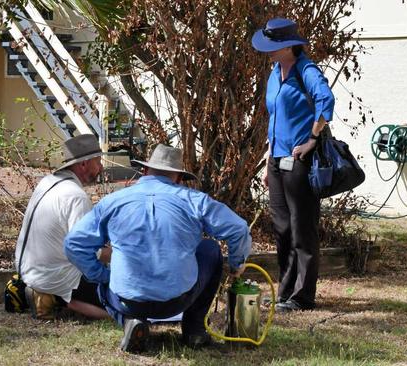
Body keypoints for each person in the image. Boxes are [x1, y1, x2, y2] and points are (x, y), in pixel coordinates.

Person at [64, 144, 252, 352]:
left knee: (102, 281)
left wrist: (101, 275)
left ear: (144, 171)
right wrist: (236, 266)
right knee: (211, 249)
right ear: (179, 178)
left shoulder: (112, 202)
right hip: (178, 300)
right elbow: (239, 229)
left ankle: (131, 321)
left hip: (126, 300)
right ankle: (195, 331)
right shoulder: (194, 200)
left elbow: (74, 244)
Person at [252, 18, 335, 312]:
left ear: (289, 46)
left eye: (273, 47)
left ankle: (302, 296)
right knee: (282, 229)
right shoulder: (275, 73)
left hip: (300, 160)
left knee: (302, 229)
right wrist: (267, 160)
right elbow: (274, 119)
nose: (268, 53)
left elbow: (326, 100)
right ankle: (285, 292)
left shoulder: (306, 70)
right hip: (276, 160)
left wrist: (312, 138)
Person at [15, 134, 110, 320]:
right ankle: (56, 297)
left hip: (28, 270)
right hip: (54, 275)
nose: (101, 168)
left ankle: (46, 295)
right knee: (118, 301)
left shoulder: (48, 182)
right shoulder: (76, 196)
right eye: (97, 161)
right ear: (83, 164)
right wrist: (117, 254)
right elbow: (86, 251)